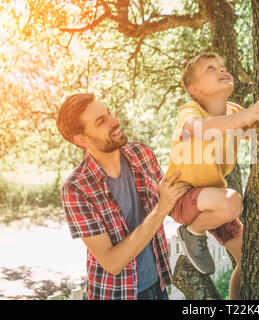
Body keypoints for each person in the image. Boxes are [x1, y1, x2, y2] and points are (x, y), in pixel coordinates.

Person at [165, 52, 259, 299]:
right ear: (195, 89)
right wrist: (246, 116)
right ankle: (192, 233)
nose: (222, 70)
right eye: (211, 68)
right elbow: (198, 130)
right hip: (183, 195)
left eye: (222, 66)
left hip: (215, 200)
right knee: (232, 202)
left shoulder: (235, 111)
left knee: (249, 260)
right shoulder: (192, 110)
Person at [56, 93, 191, 300]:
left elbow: (174, 200)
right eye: (101, 121)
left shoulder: (141, 153)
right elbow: (112, 263)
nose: (115, 121)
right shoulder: (76, 189)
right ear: (82, 139)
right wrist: (160, 209)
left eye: (108, 113)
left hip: (159, 283)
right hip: (117, 294)